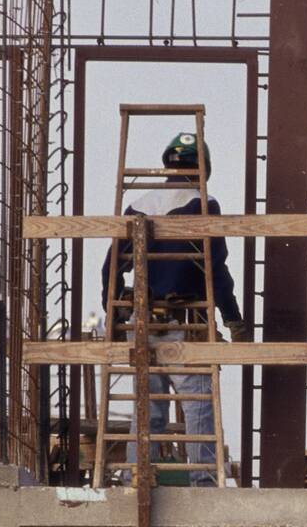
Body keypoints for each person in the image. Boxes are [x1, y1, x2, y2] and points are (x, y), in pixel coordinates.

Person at [102, 132, 247, 486]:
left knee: (147, 410)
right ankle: (203, 486)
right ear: (204, 169)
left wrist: (115, 309)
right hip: (187, 324)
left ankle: (136, 480)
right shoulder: (202, 204)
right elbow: (216, 269)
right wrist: (233, 318)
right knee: (198, 408)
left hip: (143, 324)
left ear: (167, 164)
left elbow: (111, 268)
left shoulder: (138, 205)